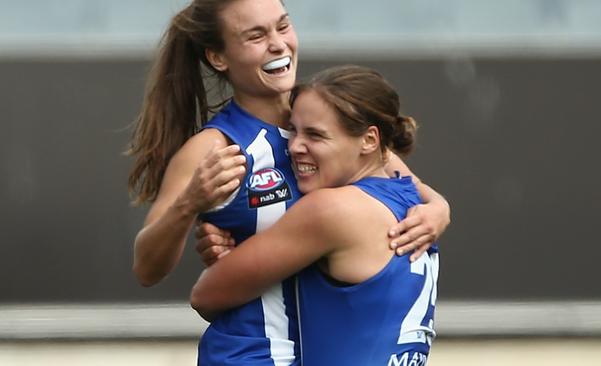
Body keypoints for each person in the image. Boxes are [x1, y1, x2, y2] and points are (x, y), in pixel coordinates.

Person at [126, 0, 449, 365]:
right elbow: (147, 268)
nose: (278, 44)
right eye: (255, 36)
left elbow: (406, 186)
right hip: (253, 356)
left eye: (282, 26)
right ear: (219, 57)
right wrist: (188, 205)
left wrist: (439, 210)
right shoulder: (218, 148)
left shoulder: (330, 117)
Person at [192, 65, 439, 365]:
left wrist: (235, 245)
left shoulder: (333, 209)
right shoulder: (412, 199)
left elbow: (206, 296)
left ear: (369, 140)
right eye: (293, 130)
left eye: (315, 135)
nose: (295, 147)